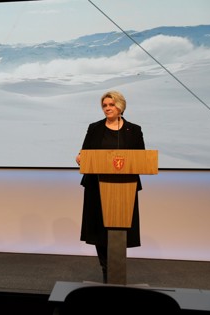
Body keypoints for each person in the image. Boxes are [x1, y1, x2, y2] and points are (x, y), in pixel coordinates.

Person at [75, 90, 145, 283]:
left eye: (111, 105)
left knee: (120, 230)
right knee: (99, 231)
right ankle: (106, 269)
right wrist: (81, 158)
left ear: (120, 106)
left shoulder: (134, 130)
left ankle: (116, 271)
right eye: (104, 105)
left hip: (125, 189)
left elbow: (141, 159)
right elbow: (84, 154)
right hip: (97, 188)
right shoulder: (95, 128)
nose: (107, 108)